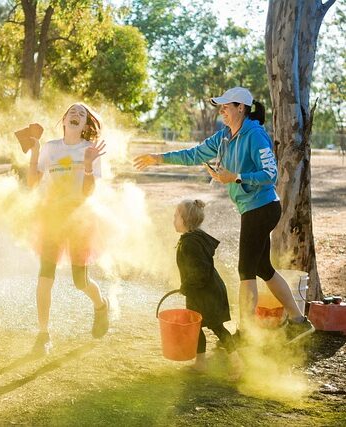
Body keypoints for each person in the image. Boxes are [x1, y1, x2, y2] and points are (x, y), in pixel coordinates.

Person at [134, 87, 314, 344]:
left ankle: (245, 333)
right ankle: (299, 321)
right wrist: (158, 158)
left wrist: (236, 177)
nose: (221, 111)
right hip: (252, 209)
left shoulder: (255, 135)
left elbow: (270, 175)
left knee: (246, 271)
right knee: (263, 268)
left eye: (225, 106)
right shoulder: (224, 137)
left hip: (262, 208)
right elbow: (194, 154)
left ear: (241, 108)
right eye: (220, 106)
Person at [27, 103, 109, 355]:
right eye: (72, 112)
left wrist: (87, 165)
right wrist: (35, 152)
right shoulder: (50, 148)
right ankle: (43, 335)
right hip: (52, 217)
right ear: (64, 120)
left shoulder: (89, 150)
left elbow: (88, 193)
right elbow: (32, 183)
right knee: (45, 276)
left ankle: (100, 305)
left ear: (85, 125)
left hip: (79, 220)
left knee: (79, 280)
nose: (76, 114)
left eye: (81, 114)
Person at [173, 200, 242, 378]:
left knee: (218, 327)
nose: (173, 220)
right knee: (195, 327)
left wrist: (186, 286)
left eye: (176, 216)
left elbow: (201, 271)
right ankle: (200, 364)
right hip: (200, 292)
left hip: (207, 293)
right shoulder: (192, 238)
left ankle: (238, 365)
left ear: (185, 220)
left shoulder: (191, 243)